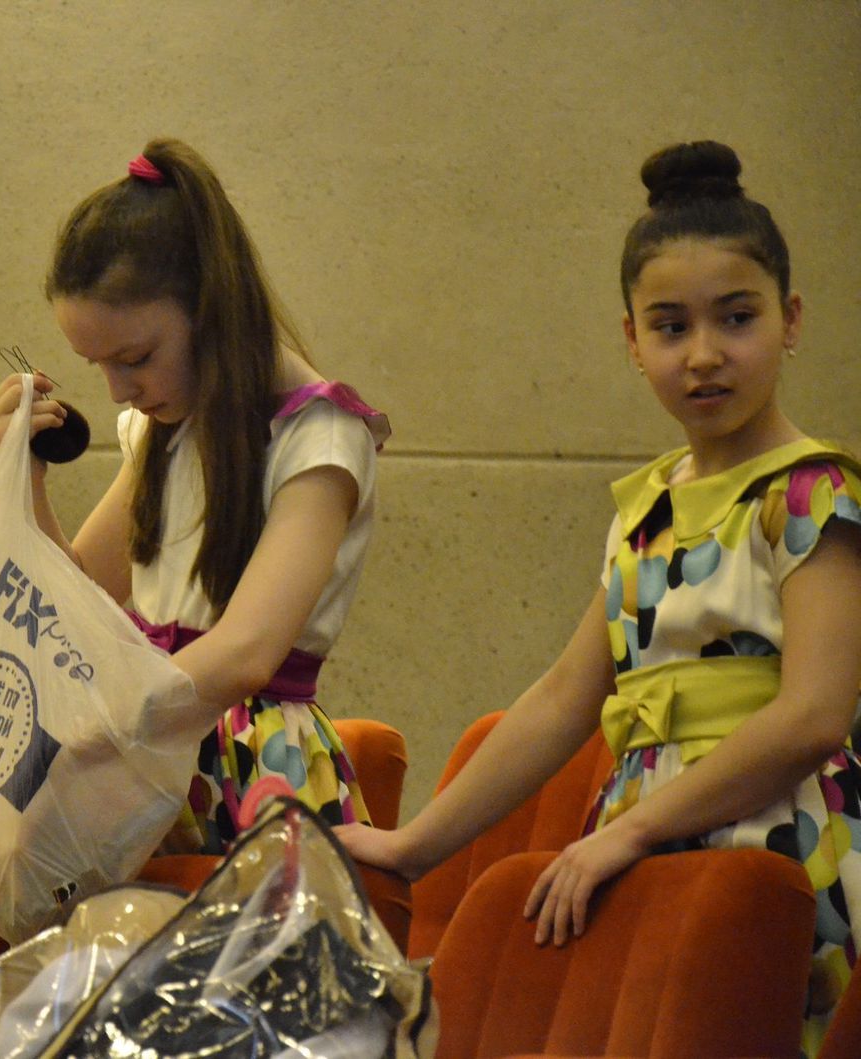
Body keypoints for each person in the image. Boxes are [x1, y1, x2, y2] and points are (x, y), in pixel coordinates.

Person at [337, 140, 861, 1054]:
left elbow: (814, 714)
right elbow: (559, 703)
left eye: (737, 318)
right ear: (631, 340)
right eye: (670, 327)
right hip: (637, 843)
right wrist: (414, 845)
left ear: (791, 319)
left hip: (783, 845)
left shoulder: (814, 491)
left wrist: (634, 829)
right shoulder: (642, 510)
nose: (705, 354)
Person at [0, 138, 391, 854]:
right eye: (97, 365)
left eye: (135, 358)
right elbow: (78, 604)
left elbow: (246, 652)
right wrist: (26, 478)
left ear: (210, 305)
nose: (119, 390)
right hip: (152, 757)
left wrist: (93, 729)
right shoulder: (163, 428)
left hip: (256, 773)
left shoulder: (321, 435)